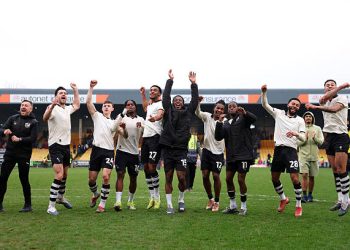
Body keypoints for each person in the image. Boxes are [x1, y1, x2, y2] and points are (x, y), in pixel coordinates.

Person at [305, 80, 350, 216]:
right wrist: (339, 87)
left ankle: (346, 200)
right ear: (324, 88)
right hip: (328, 137)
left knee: (342, 169)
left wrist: (341, 87)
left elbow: (334, 109)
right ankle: (339, 199)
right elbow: (325, 99)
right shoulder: (323, 99)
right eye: (327, 84)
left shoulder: (342, 98)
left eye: (332, 84)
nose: (330, 85)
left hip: (340, 135)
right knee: (335, 170)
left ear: (336, 88)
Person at [261, 84, 306, 217]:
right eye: (293, 103)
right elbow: (265, 105)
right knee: (274, 178)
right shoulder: (279, 114)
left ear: (298, 108)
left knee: (294, 178)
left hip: (291, 151)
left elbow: (303, 138)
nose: (295, 106)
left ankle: (298, 206)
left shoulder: (300, 120)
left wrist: (296, 134)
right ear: (288, 105)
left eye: (297, 105)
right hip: (278, 150)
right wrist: (263, 93)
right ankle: (283, 199)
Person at [159, 70, 199, 214]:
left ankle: (181, 200)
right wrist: (170, 81)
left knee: (182, 178)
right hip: (168, 150)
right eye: (175, 100)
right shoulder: (168, 110)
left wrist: (193, 84)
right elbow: (165, 97)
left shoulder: (188, 112)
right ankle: (169, 205)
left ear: (183, 104)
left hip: (181, 150)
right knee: (168, 177)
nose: (177, 102)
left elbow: (194, 101)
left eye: (180, 101)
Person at [43, 83, 80, 216]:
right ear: (56, 97)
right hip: (55, 145)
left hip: (66, 146)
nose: (64, 94)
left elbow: (77, 105)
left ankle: (60, 197)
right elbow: (45, 118)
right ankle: (51, 206)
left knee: (65, 175)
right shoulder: (52, 108)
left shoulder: (66, 109)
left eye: (65, 93)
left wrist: (75, 90)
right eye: (61, 93)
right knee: (59, 175)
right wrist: (52, 105)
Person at [215, 101, 257, 216]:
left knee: (240, 179)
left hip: (244, 155)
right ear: (228, 110)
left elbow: (254, 119)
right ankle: (233, 206)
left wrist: (245, 113)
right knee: (228, 179)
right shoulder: (226, 123)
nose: (231, 108)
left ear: (237, 108)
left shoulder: (244, 118)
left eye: (234, 106)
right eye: (229, 107)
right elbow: (218, 137)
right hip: (231, 156)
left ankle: (243, 207)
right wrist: (219, 122)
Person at [86, 80, 120, 213]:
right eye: (104, 105)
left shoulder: (114, 122)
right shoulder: (97, 116)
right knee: (91, 180)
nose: (106, 107)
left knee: (106, 177)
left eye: (108, 106)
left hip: (108, 151)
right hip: (96, 150)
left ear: (112, 109)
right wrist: (91, 88)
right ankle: (95, 194)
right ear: (102, 108)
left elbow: (123, 134)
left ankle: (102, 204)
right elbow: (88, 103)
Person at [0, 100, 38, 212]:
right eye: (22, 105)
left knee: (24, 179)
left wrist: (20, 139)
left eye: (26, 105)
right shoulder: (13, 118)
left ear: (30, 109)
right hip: (10, 154)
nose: (23, 107)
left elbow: (33, 138)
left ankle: (28, 205)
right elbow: (2, 129)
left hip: (24, 155)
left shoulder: (34, 122)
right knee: (3, 178)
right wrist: (4, 131)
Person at [195, 98, 225, 212]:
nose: (219, 110)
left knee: (216, 176)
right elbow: (197, 112)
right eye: (218, 108)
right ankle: (210, 199)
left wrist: (222, 122)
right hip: (206, 150)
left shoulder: (225, 121)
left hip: (218, 152)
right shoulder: (207, 117)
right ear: (214, 108)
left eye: (222, 109)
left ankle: (217, 201)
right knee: (204, 175)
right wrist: (198, 103)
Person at [114, 99, 145, 211]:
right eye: (127, 105)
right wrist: (123, 129)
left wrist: (142, 126)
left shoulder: (141, 120)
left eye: (132, 104)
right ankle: (118, 202)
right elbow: (120, 132)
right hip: (122, 151)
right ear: (125, 107)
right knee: (120, 174)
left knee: (133, 178)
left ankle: (130, 201)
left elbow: (146, 134)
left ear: (135, 107)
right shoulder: (121, 117)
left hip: (134, 153)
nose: (130, 106)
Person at [139, 84, 164, 209]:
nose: (152, 91)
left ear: (159, 93)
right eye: (151, 90)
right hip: (146, 137)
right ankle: (151, 197)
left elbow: (160, 115)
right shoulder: (149, 104)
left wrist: (155, 118)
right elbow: (145, 108)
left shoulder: (161, 103)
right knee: (145, 168)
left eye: (155, 90)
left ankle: (157, 196)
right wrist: (143, 94)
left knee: (152, 166)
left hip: (155, 137)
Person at [297, 111, 324, 203]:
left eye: (310, 116)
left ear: (312, 118)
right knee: (304, 175)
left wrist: (314, 138)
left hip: (314, 157)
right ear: (304, 118)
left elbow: (321, 142)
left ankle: (310, 195)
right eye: (306, 116)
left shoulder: (318, 128)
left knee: (312, 177)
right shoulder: (300, 129)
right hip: (303, 157)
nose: (308, 118)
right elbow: (297, 143)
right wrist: (304, 138)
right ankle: (304, 196)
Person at [186, 127, 200, 191]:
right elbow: (199, 149)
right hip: (193, 159)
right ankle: (190, 187)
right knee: (192, 174)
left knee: (188, 173)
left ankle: (188, 187)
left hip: (187, 158)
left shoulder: (187, 138)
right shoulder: (196, 139)